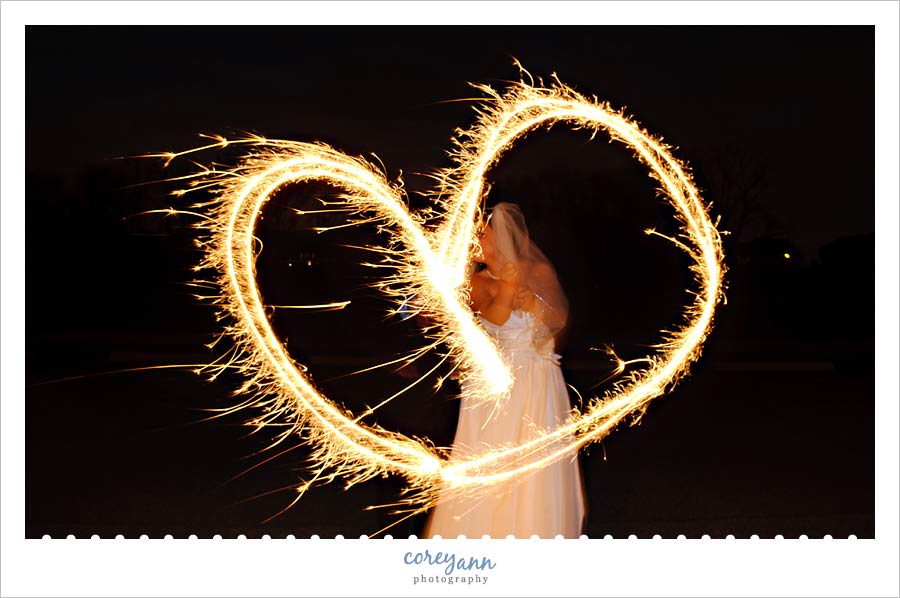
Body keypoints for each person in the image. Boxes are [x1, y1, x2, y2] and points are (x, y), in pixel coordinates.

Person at [423, 202, 586, 539]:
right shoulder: (475, 281)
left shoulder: (538, 271)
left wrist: (535, 307)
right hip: (493, 387)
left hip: (536, 381)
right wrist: (509, 290)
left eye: (481, 233)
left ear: (502, 238)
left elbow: (557, 321)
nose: (472, 239)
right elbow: (491, 319)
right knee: (490, 458)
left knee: (532, 470)